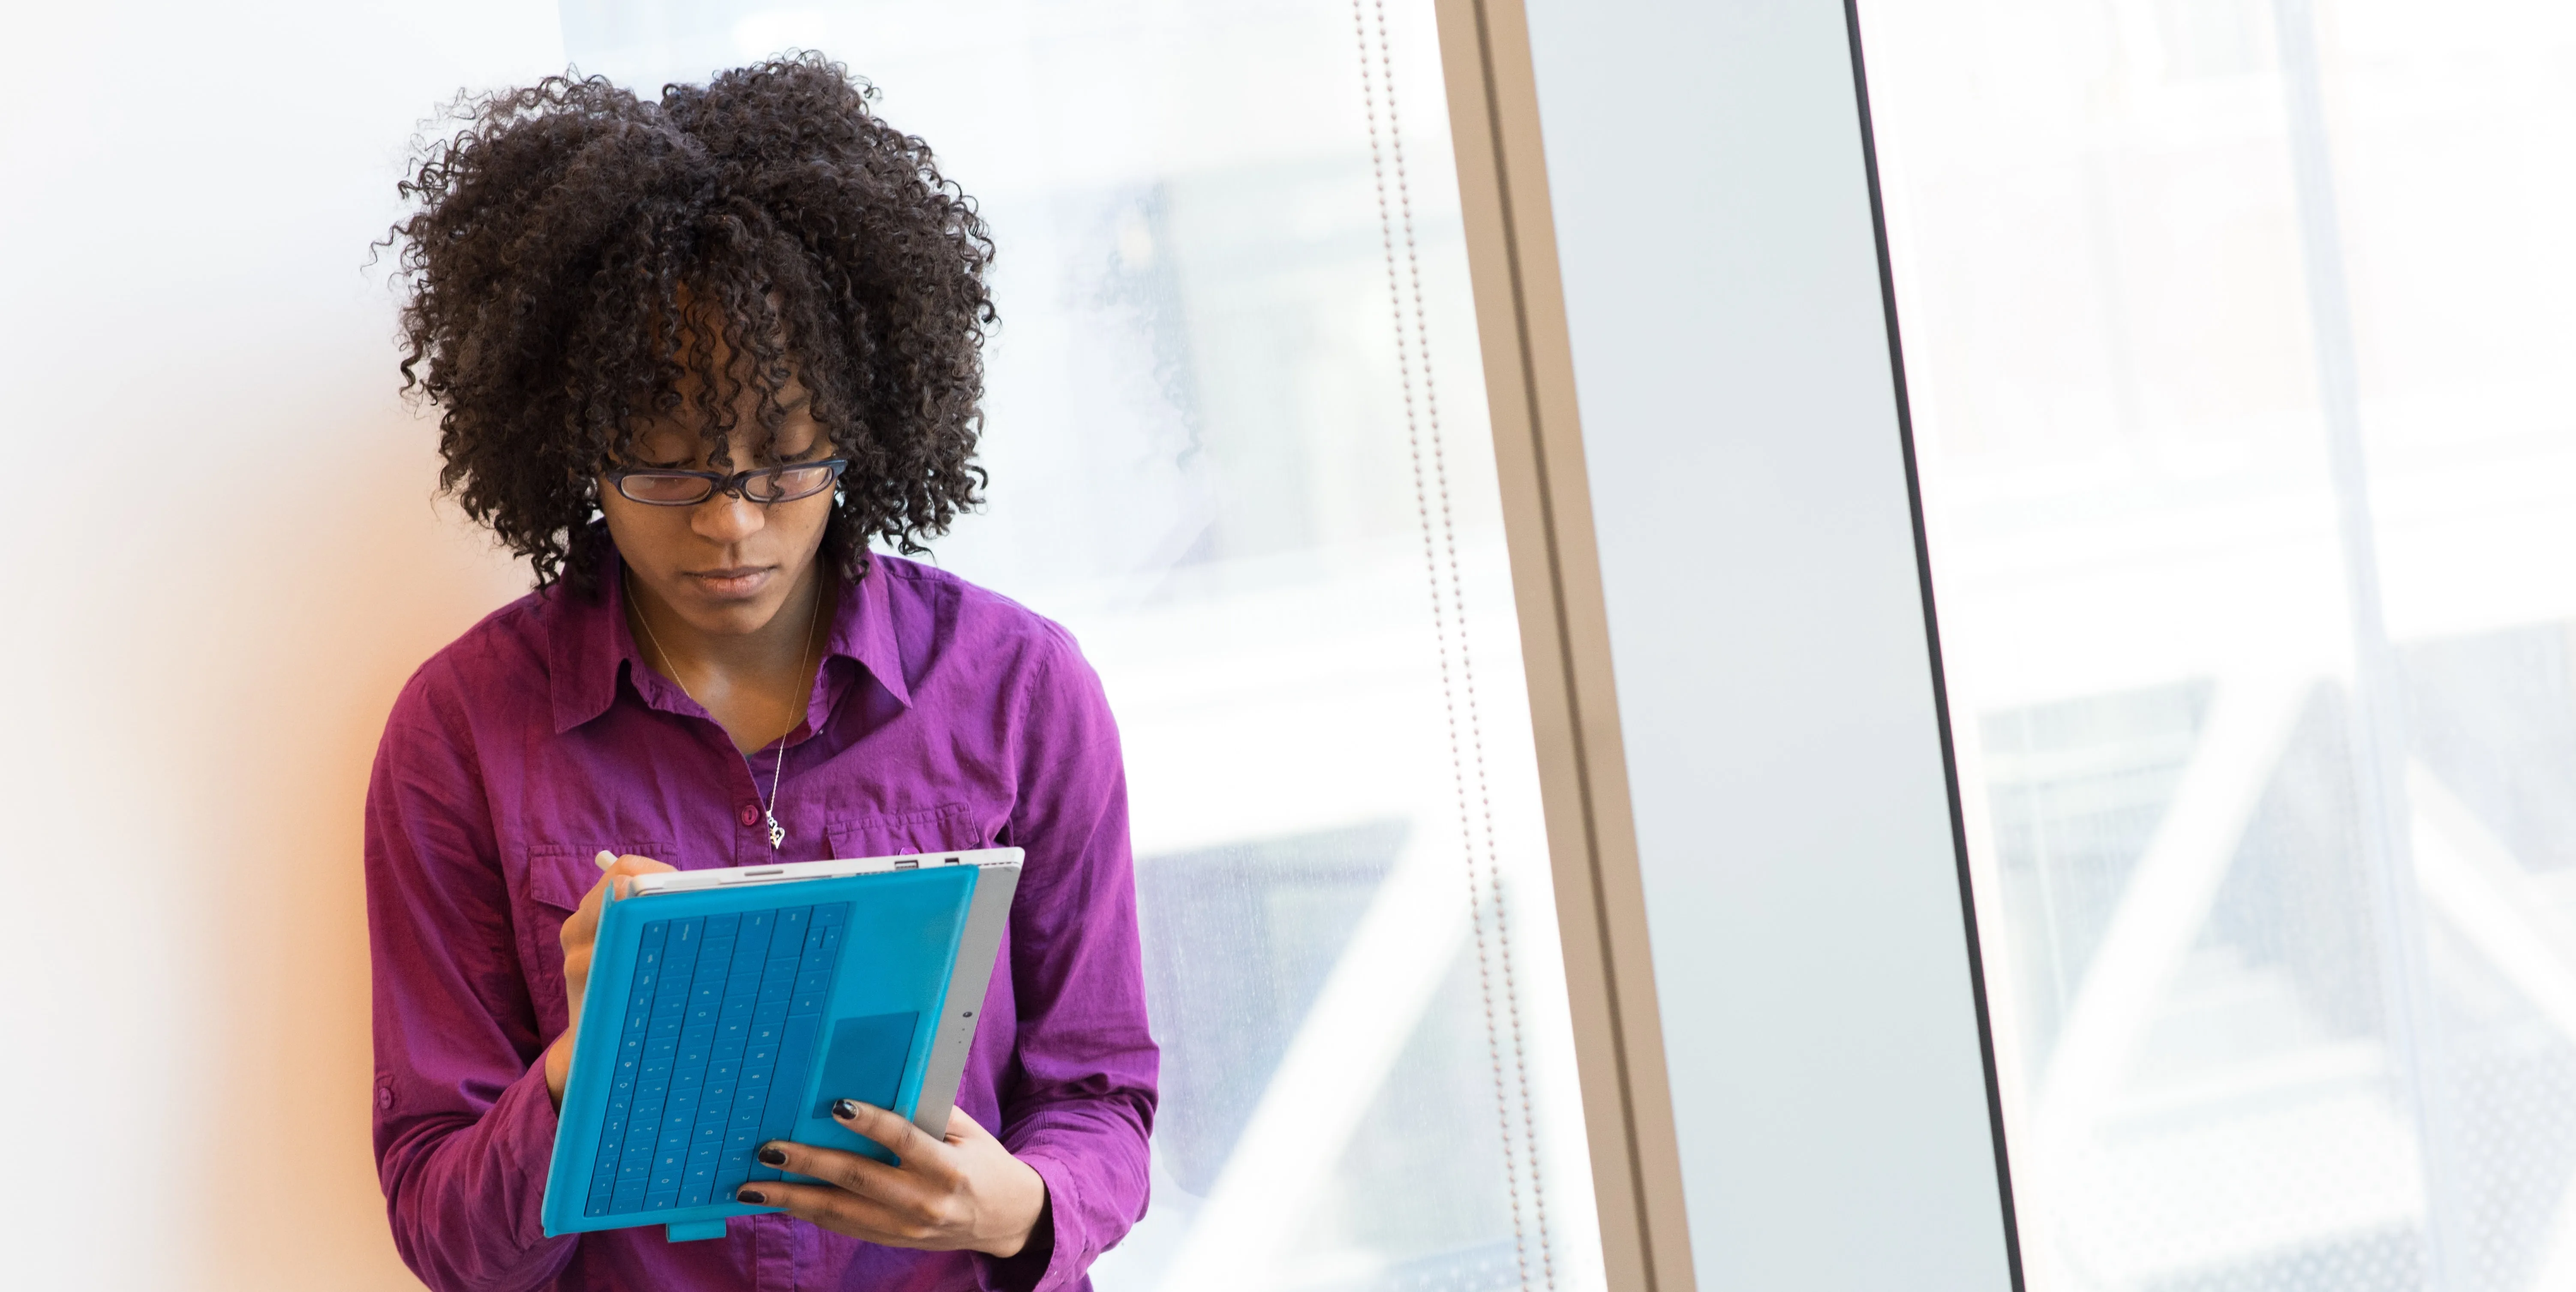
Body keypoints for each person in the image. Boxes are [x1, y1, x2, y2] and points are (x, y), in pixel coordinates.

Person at [364, 56, 1156, 1292]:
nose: (732, 526)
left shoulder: (1022, 691)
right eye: (668, 469)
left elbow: (1105, 1095)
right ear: (577, 446)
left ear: (867, 423)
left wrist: (1020, 1208)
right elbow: (448, 1235)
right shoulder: (462, 733)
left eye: (785, 462)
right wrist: (584, 1056)